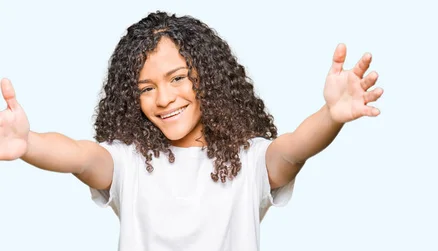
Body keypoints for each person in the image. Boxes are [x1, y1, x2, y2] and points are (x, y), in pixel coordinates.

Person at [0, 11, 383, 251]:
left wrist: (330, 115)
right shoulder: (129, 162)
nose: (164, 98)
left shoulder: (248, 162)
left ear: (209, 78)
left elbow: (294, 149)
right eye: (146, 88)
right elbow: (79, 155)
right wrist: (28, 143)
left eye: (178, 78)